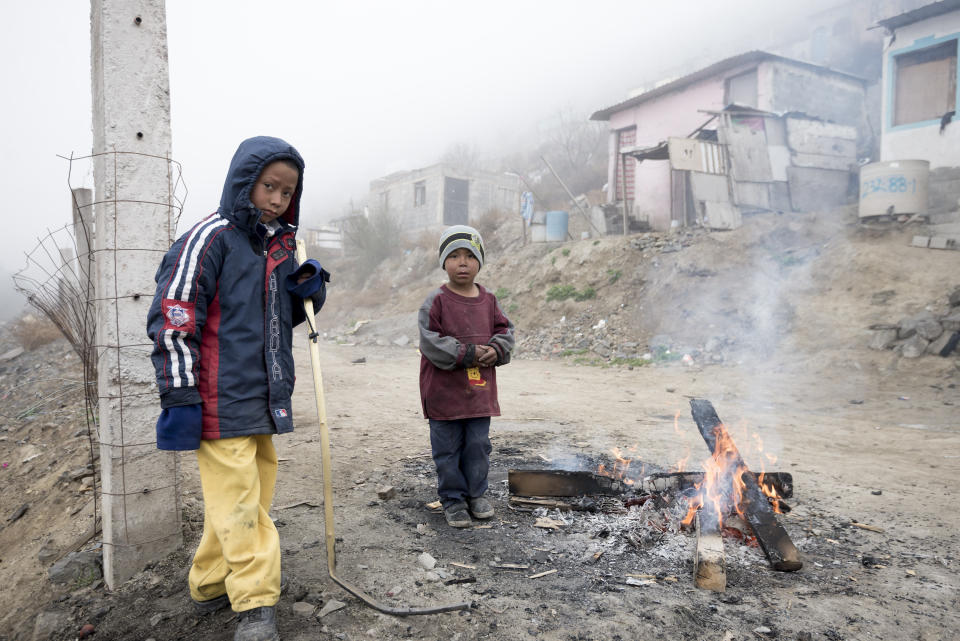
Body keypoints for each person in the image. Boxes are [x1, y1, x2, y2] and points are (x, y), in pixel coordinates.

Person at [147, 136, 329, 641]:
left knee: (242, 501)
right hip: (216, 398)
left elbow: (284, 316)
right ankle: (255, 601)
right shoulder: (209, 240)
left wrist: (308, 291)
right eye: (269, 186)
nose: (277, 199)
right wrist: (180, 395)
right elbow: (173, 319)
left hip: (263, 396)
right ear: (243, 182)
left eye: (287, 192)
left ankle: (208, 583)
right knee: (241, 502)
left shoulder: (279, 246)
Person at [418, 225, 515, 528]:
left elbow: (505, 331)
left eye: (470, 256)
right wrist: (469, 354)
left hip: (479, 393)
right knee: (447, 449)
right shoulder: (436, 301)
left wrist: (497, 349)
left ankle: (476, 494)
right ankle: (453, 499)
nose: (463, 262)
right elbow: (430, 341)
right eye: (455, 256)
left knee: (477, 446)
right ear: (443, 262)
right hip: (444, 395)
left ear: (480, 262)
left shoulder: (489, 301)